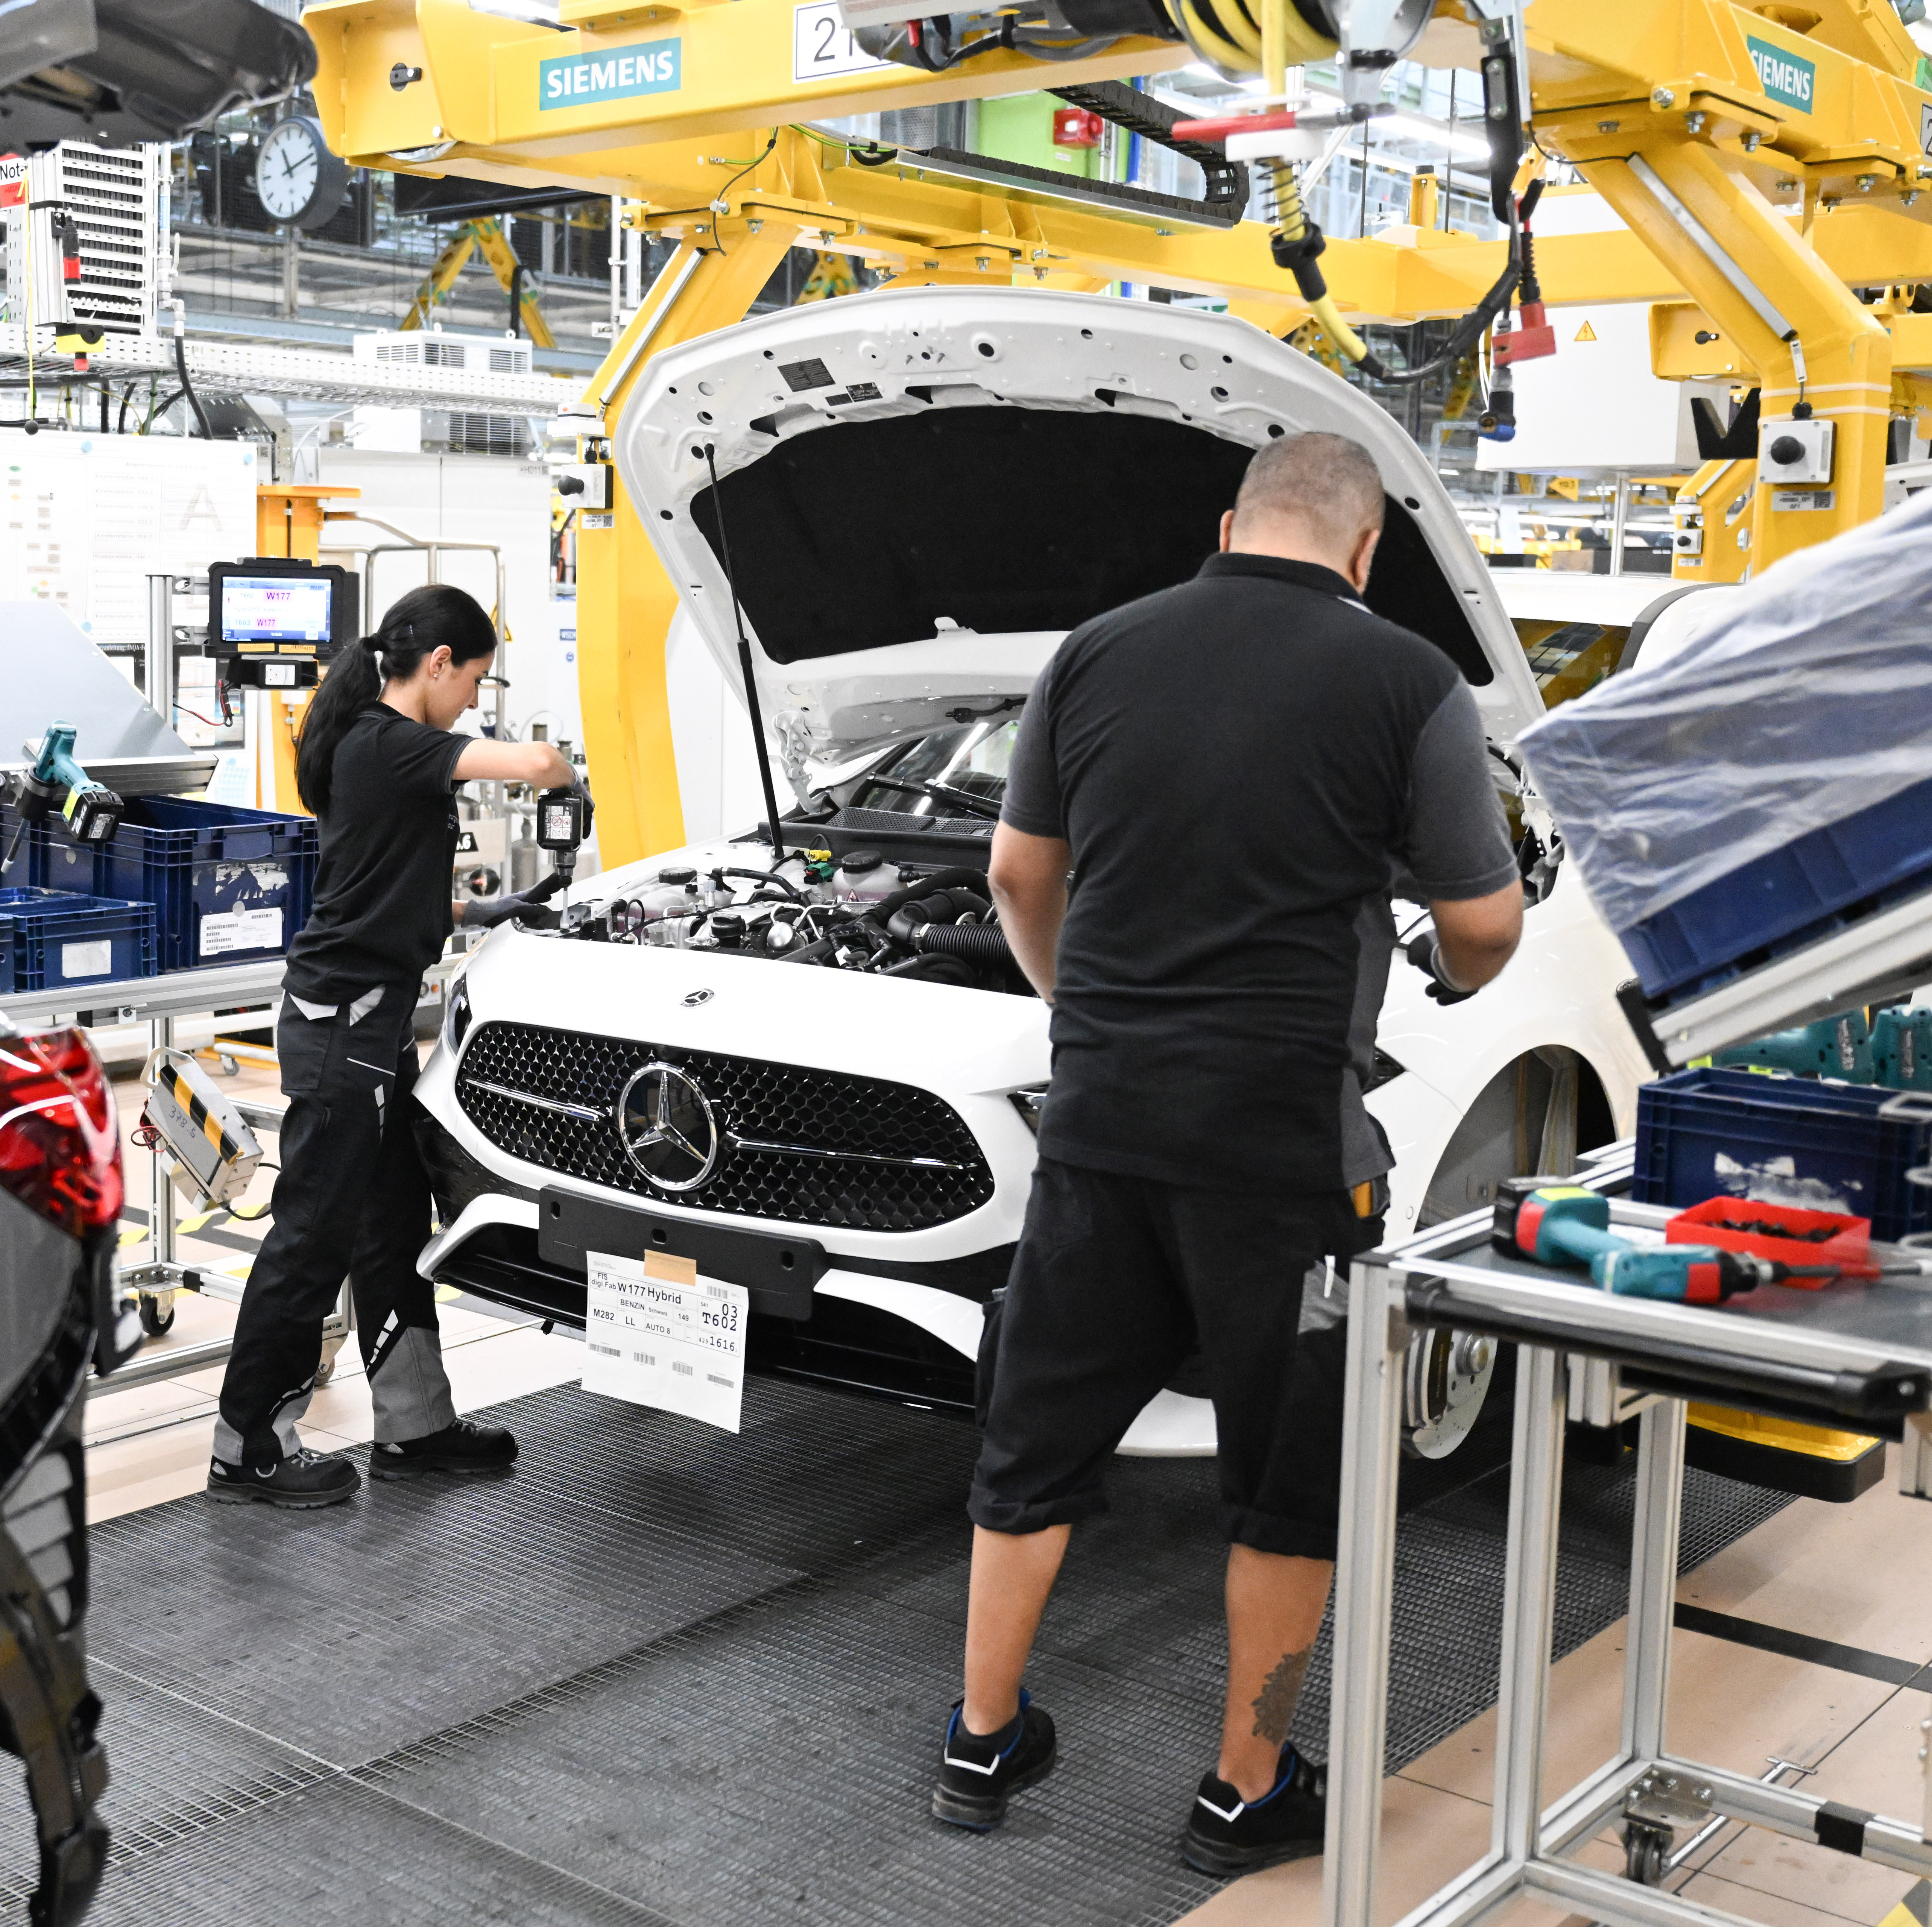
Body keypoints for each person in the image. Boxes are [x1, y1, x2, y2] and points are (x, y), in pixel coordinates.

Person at [931, 432, 1524, 1872]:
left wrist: (1082, 1002)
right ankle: (1242, 1786)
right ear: (1367, 550)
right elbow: (1490, 922)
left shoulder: (1094, 651)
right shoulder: (1405, 683)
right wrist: (1445, 963)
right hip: (1277, 1155)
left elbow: (1017, 873)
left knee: (1035, 1444)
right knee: (1282, 1478)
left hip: (1099, 1128)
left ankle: (979, 1738)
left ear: (1228, 522)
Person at [209, 584, 579, 1509]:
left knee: (392, 1227)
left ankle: (414, 1427)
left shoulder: (375, 750)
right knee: (314, 1233)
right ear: (441, 664)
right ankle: (246, 1443)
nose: (473, 706)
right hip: (346, 1028)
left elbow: (378, 883)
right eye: (474, 684)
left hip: (366, 1020)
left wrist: (478, 911)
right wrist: (563, 770)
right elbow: (535, 760)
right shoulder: (390, 742)